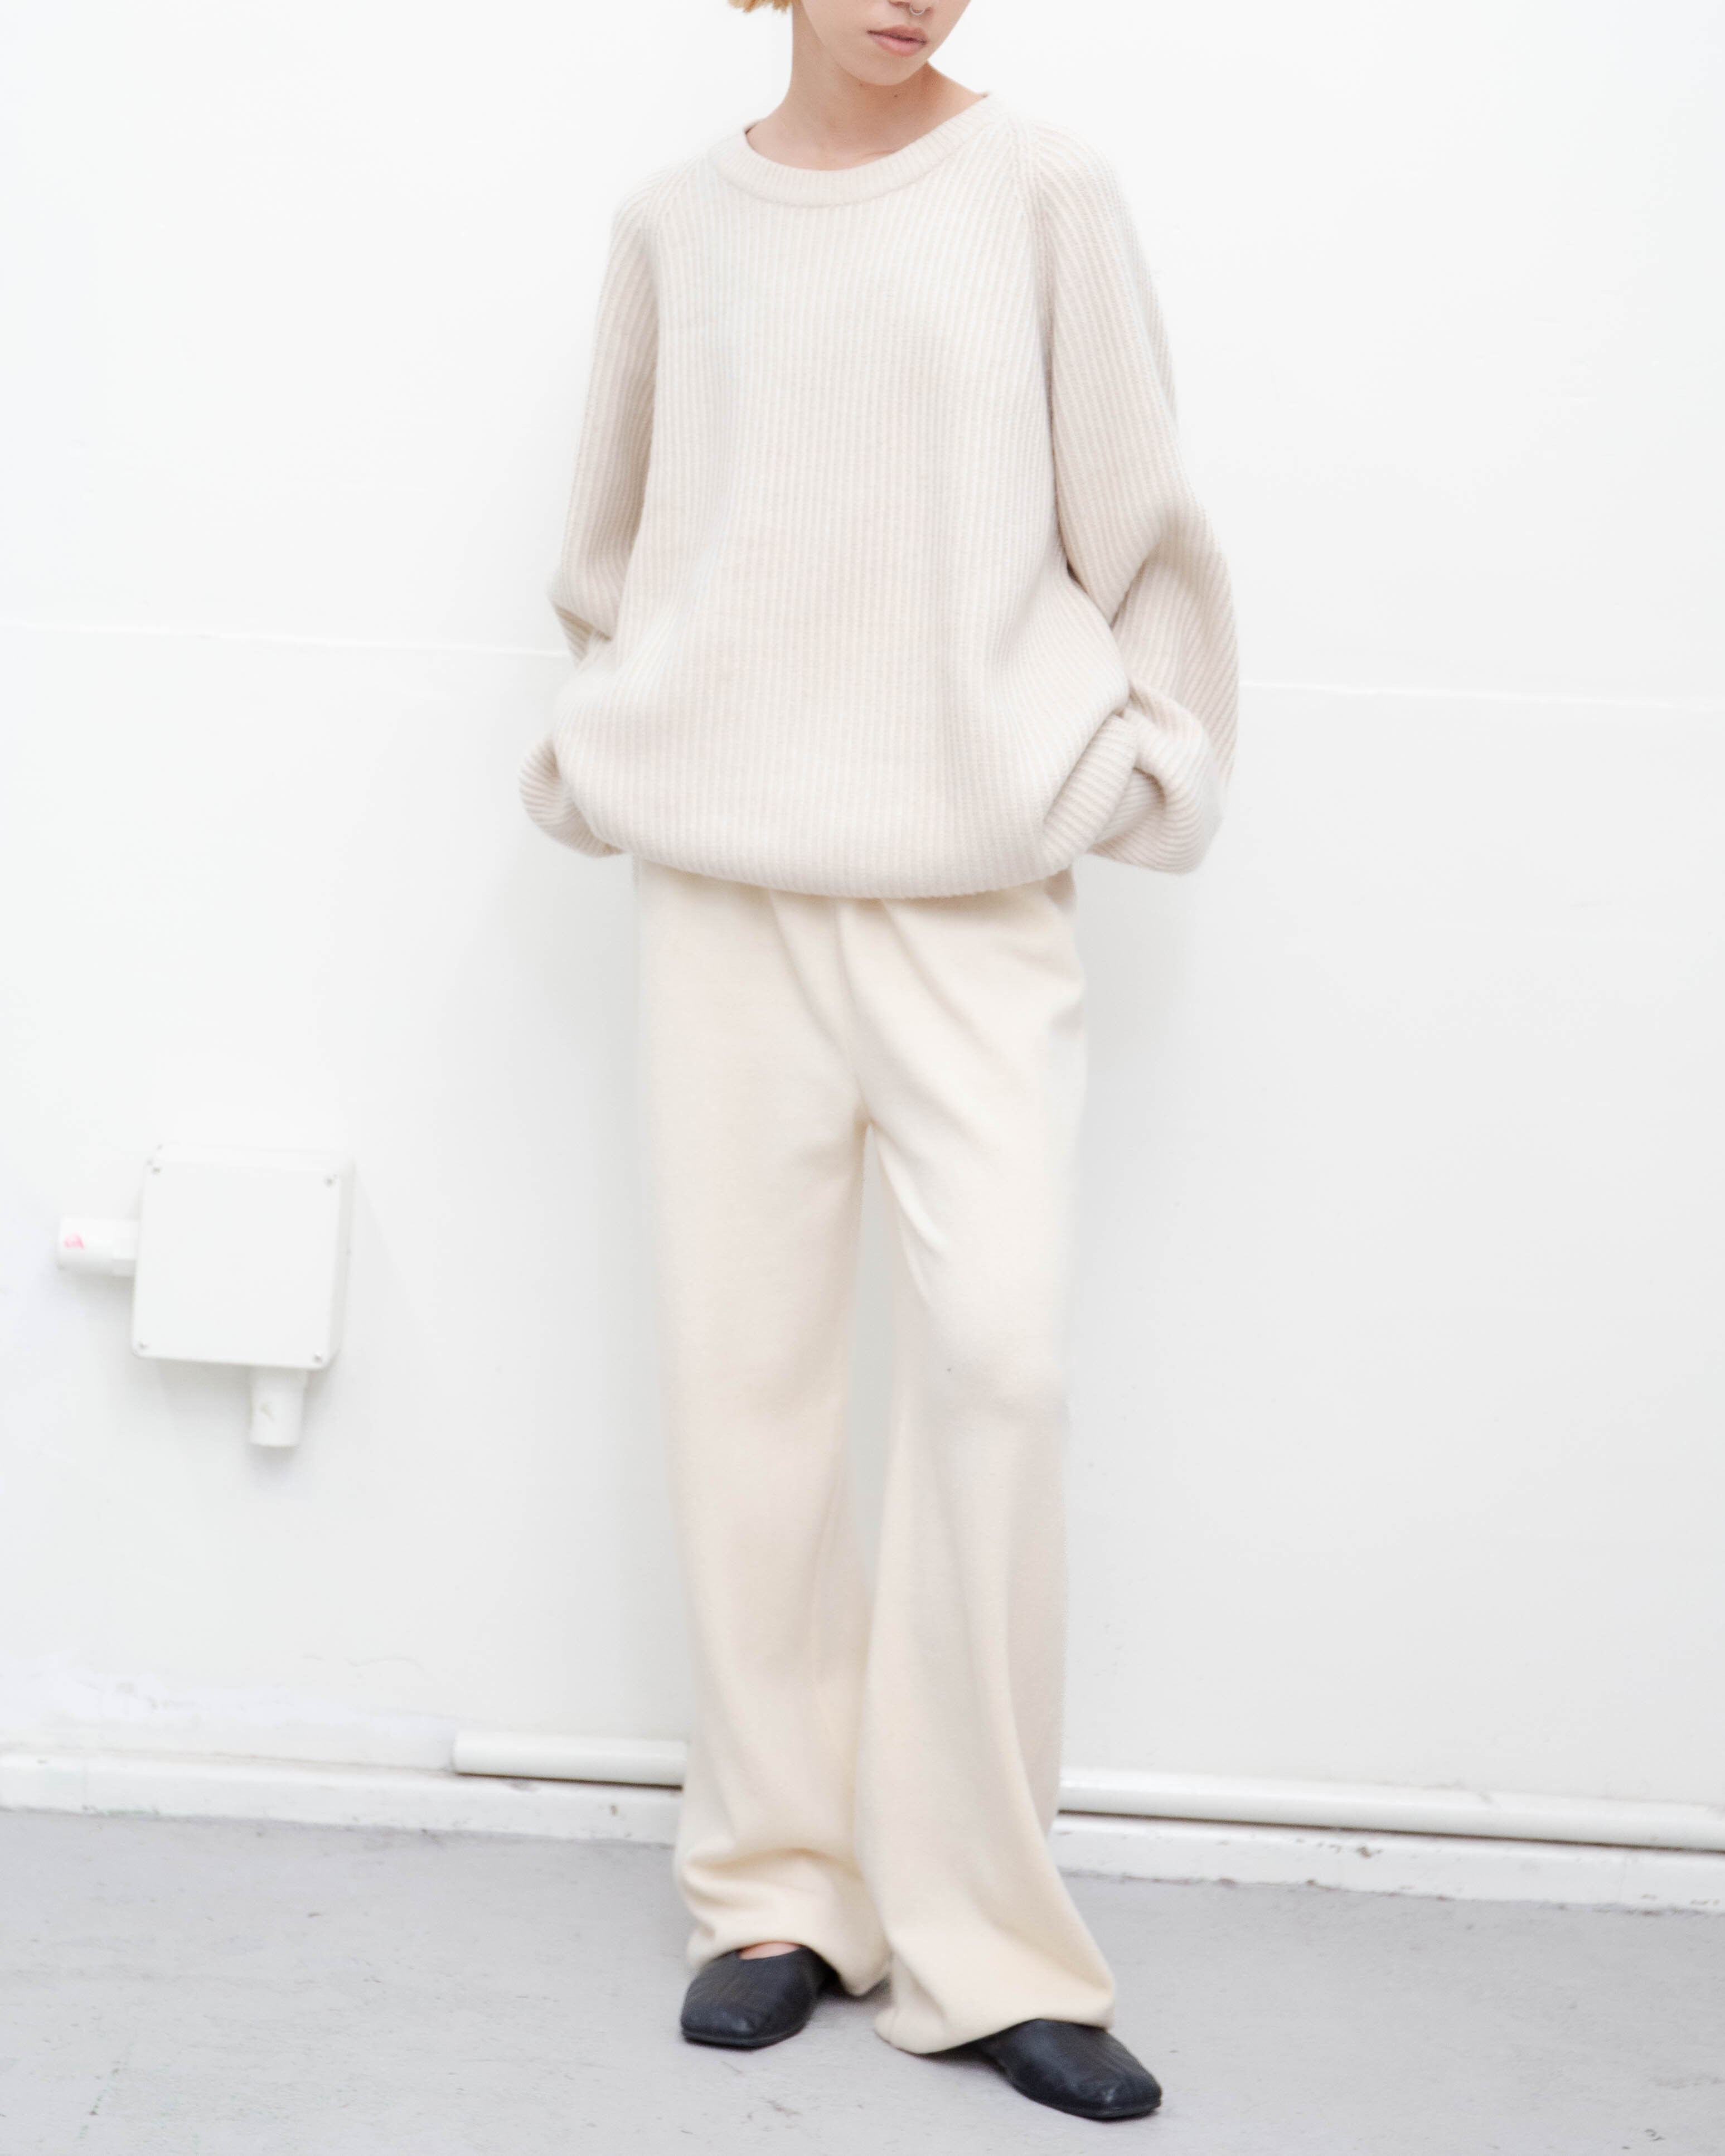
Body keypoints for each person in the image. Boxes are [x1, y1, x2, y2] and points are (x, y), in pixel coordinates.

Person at [521, 0, 1235, 2123]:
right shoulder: (675, 228)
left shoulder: (1044, 195)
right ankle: (775, 1890)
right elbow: (607, 555)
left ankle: (989, 1937)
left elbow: (1146, 535)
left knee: (997, 1362)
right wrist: (620, 736)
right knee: (746, 1389)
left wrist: (1129, 770)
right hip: (724, 883)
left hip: (968, 895)